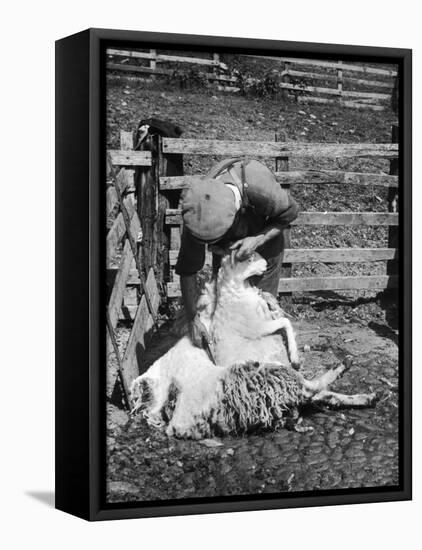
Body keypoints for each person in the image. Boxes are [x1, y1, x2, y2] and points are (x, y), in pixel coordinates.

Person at [175, 157, 299, 348]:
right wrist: (193, 319)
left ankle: (264, 353)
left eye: (214, 242)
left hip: (265, 239)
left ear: (233, 215)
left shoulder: (260, 188)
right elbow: (188, 270)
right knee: (227, 306)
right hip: (229, 248)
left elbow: (289, 214)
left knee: (260, 309)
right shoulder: (199, 213)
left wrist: (257, 239)